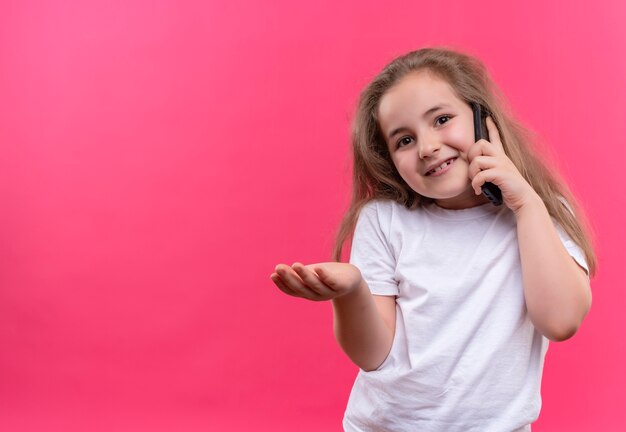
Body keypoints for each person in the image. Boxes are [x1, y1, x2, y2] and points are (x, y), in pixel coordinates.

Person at [270, 47, 596, 431]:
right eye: (403, 141)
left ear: (482, 119)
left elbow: (560, 321)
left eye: (441, 119)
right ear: (388, 159)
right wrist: (353, 291)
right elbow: (373, 355)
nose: (427, 148)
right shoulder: (384, 220)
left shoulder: (539, 211)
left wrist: (525, 203)